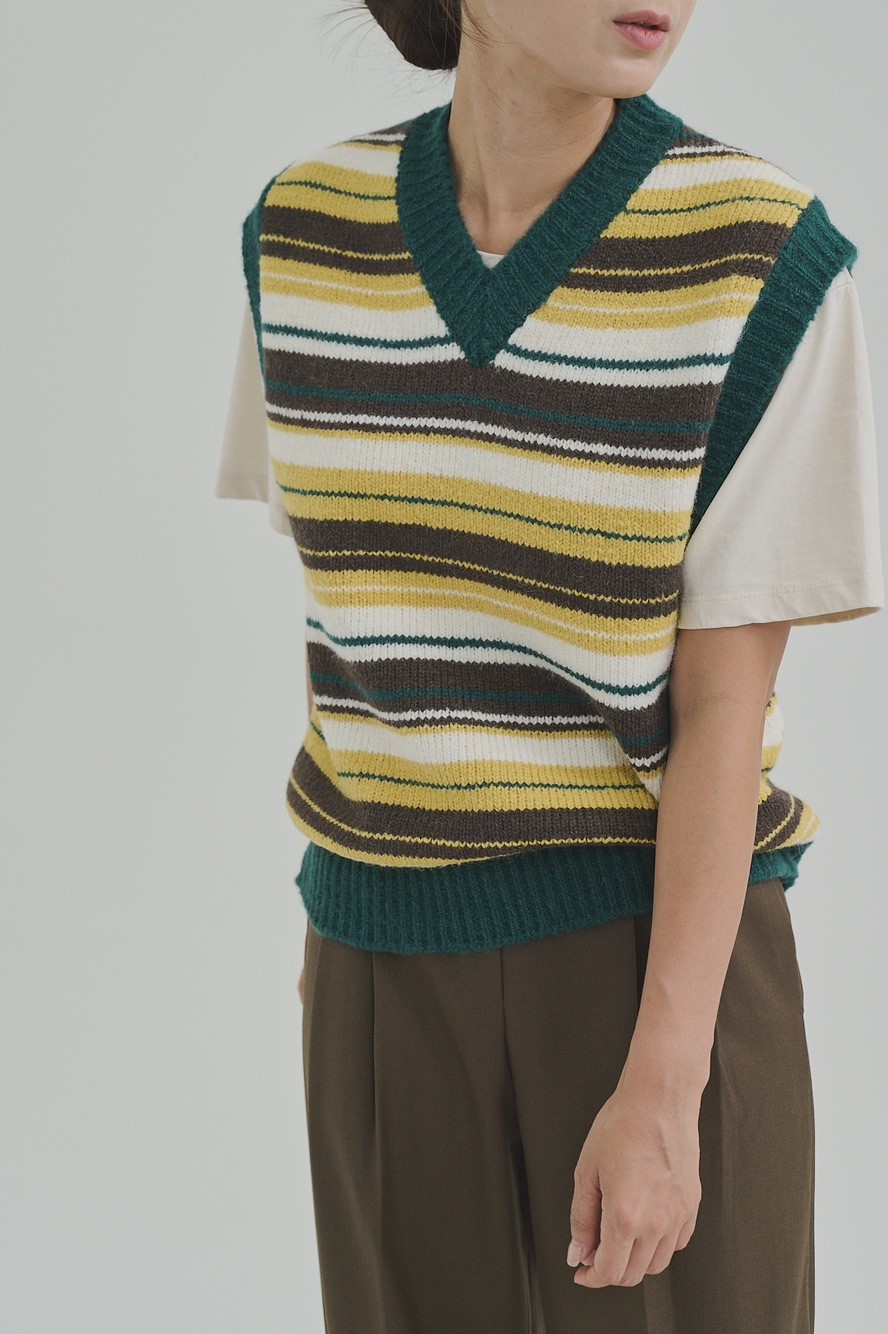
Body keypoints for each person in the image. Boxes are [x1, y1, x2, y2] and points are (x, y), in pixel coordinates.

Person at [215, 2, 885, 1329]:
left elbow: (722, 706)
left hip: (650, 957)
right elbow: (353, 619)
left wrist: (666, 1081)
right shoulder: (301, 234)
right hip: (377, 953)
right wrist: (339, 956)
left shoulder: (758, 256)